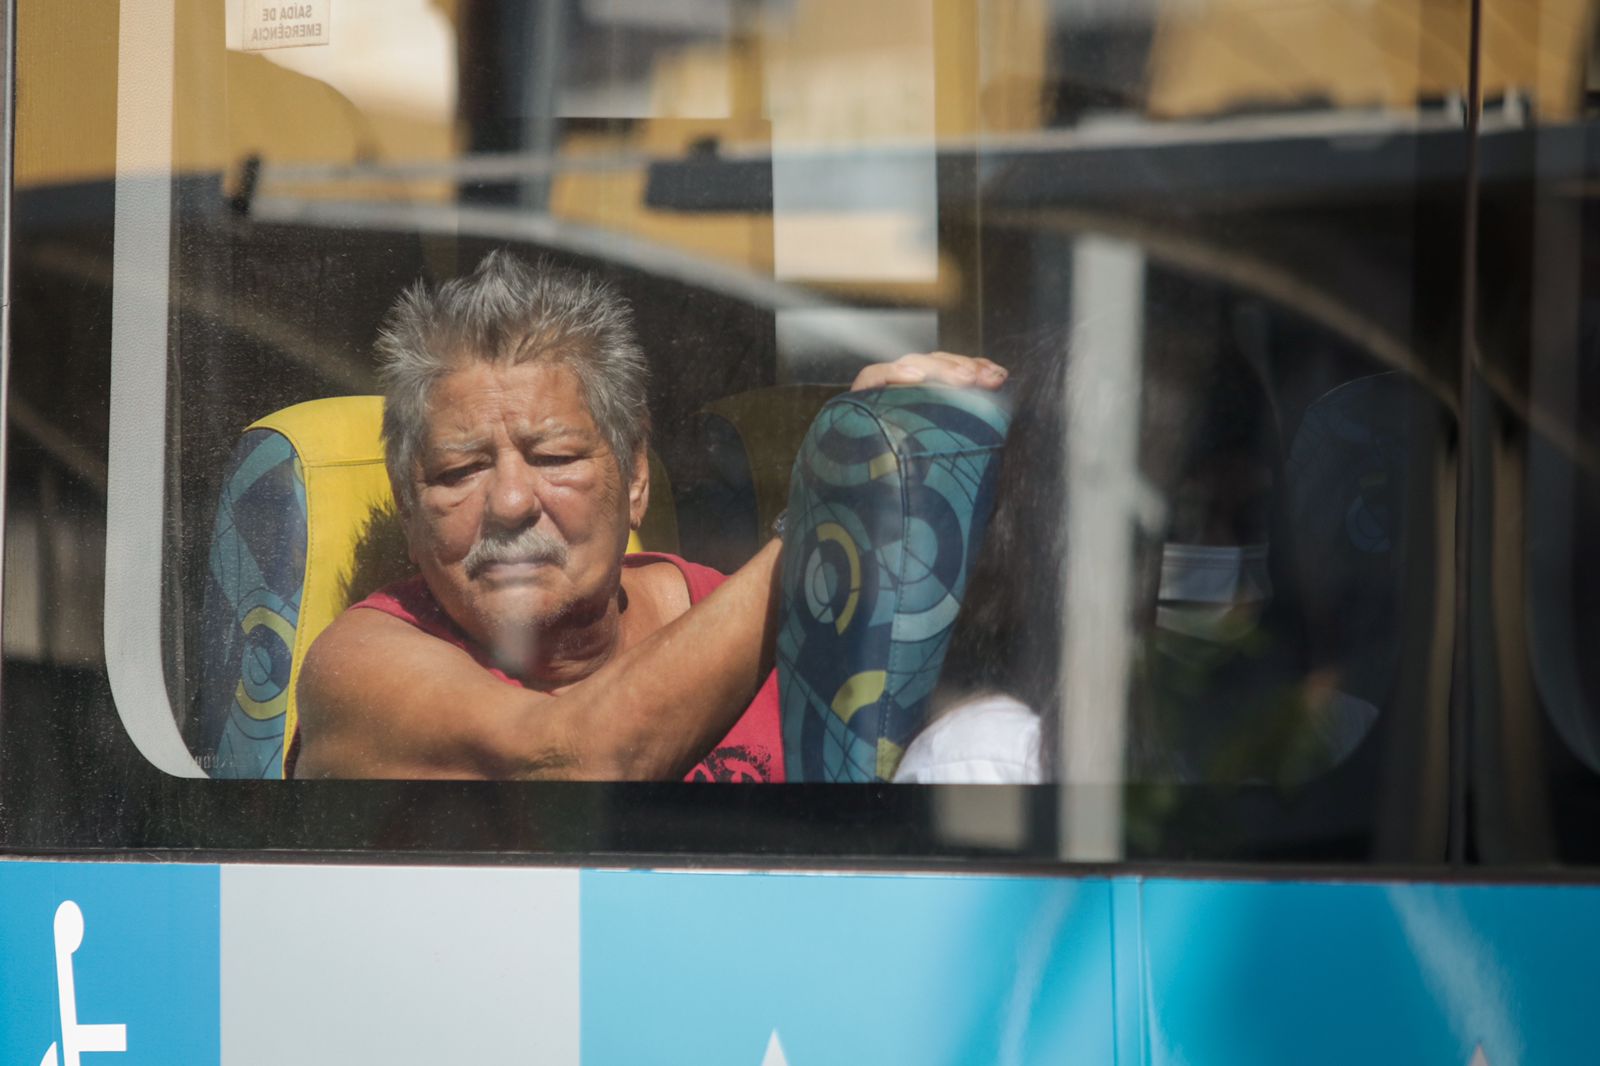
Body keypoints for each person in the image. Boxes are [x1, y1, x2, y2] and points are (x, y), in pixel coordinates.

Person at [292, 250, 1006, 781]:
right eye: (459, 472)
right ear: (409, 510)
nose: (510, 503)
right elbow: (568, 765)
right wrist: (829, 508)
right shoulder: (358, 669)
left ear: (634, 475)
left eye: (555, 457)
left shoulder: (730, 611)